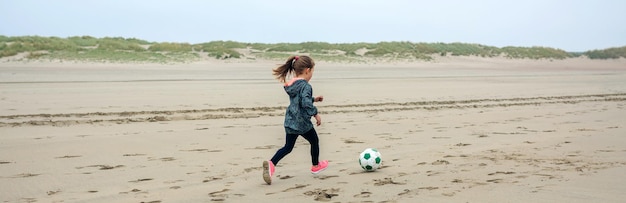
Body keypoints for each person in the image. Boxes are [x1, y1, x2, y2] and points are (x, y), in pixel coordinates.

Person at [263, 55, 328, 185]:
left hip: (290, 120)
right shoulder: (306, 86)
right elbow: (305, 103)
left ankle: (271, 164)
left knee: (288, 147)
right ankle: (315, 166)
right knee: (314, 141)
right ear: (307, 70)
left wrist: (314, 99)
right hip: (302, 122)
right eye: (312, 72)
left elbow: (299, 100)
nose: (312, 75)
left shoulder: (292, 85)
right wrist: (315, 114)